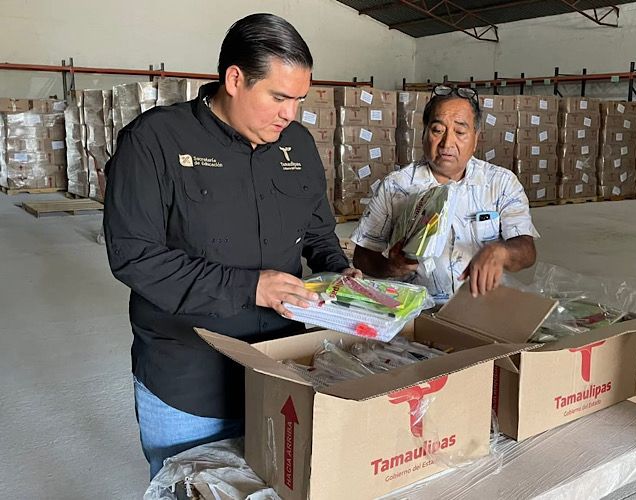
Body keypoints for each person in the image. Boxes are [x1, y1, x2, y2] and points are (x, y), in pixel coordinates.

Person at [104, 13, 359, 479]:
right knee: (190, 487)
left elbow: (318, 231)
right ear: (236, 79)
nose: (290, 114)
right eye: (279, 97)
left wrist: (340, 270)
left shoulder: (297, 145)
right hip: (189, 380)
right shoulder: (154, 141)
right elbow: (134, 256)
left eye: (299, 100)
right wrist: (250, 287)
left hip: (278, 367)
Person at [351, 86, 538, 303]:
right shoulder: (396, 185)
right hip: (415, 308)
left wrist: (501, 252)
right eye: (438, 130)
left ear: (476, 138)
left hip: (482, 304)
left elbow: (527, 250)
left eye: (460, 132)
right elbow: (362, 257)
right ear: (424, 133)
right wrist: (391, 267)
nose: (447, 143)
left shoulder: (501, 182)